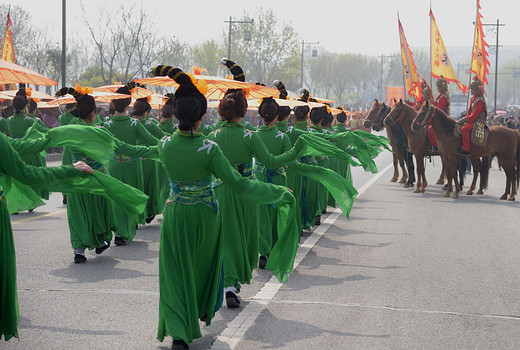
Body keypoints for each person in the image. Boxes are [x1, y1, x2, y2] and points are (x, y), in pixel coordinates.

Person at [148, 65, 298, 350]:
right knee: (201, 269)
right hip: (205, 215)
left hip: (175, 214)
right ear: (202, 116)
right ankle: (200, 311)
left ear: (177, 115)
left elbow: (139, 150)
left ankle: (179, 333)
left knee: (175, 273)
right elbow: (241, 185)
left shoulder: (166, 145)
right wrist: (277, 192)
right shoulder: (208, 148)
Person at [104, 82, 159, 245]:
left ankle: (120, 232)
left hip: (114, 165)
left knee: (117, 198)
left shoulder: (106, 125)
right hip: (133, 166)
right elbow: (151, 141)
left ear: (113, 104)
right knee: (131, 196)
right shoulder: (135, 124)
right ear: (129, 103)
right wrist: (169, 145)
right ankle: (126, 228)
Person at [455, 78, 487, 157]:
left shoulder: (479, 101)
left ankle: (466, 149)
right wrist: (465, 119)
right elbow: (470, 112)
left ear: (476, 89)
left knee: (464, 129)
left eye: (472, 89)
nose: (471, 91)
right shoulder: (474, 99)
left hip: (478, 122)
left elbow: (474, 116)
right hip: (473, 121)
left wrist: (464, 120)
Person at [429, 76, 450, 153]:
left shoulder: (443, 98)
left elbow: (439, 110)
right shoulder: (441, 96)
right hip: (439, 118)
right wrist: (433, 103)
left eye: (438, 86)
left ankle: (436, 146)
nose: (437, 88)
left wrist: (432, 106)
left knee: (430, 129)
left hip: (442, 120)